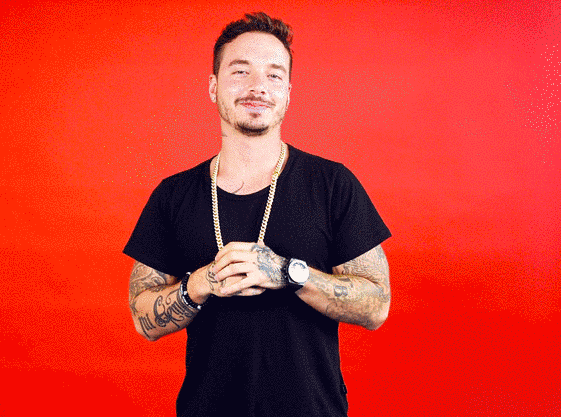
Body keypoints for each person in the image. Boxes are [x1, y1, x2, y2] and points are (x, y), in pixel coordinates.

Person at [124, 12, 391, 417]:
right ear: (213, 87)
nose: (257, 86)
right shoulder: (174, 195)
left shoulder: (332, 184)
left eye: (273, 75)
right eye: (240, 71)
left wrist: (287, 272)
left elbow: (377, 306)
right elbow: (143, 317)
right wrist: (202, 282)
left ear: (288, 93)